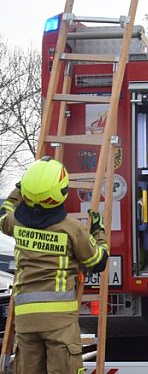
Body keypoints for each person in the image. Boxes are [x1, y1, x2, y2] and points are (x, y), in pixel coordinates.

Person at [0, 157, 108, 374]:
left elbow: (4, 212)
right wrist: (99, 231)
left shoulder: (17, 224)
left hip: (25, 320)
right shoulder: (71, 228)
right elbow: (98, 261)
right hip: (59, 321)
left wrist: (19, 189)